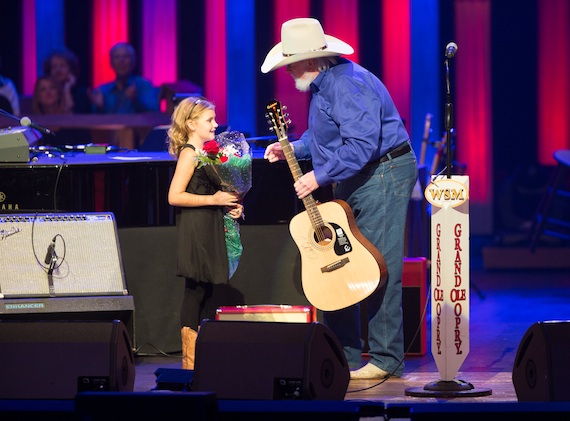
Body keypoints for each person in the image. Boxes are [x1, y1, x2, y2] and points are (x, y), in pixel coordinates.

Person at [261, 18, 418, 380]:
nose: (288, 72)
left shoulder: (346, 85)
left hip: (383, 174)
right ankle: (345, 355)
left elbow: (361, 145)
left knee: (378, 264)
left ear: (312, 61)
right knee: (343, 262)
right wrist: (293, 150)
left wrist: (317, 175)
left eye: (292, 64)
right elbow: (327, 141)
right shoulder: (324, 85)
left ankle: (385, 358)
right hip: (358, 175)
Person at [167, 96, 244, 370]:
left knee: (209, 290)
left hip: (210, 224)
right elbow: (174, 196)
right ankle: (190, 364)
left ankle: (203, 360)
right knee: (196, 290)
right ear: (191, 124)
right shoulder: (189, 153)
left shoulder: (208, 154)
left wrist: (233, 207)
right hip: (197, 228)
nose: (215, 124)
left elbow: (217, 193)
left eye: (214, 119)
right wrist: (214, 201)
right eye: (209, 120)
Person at [91, 42, 159, 114]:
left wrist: (136, 100)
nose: (121, 61)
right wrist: (99, 108)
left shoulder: (144, 86)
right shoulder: (101, 91)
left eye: (126, 56)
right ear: (111, 63)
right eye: (117, 57)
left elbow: (154, 113)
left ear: (133, 61)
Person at [32, 75, 91, 145]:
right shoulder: (34, 127)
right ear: (38, 97)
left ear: (59, 93)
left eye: (52, 88)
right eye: (43, 89)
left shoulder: (73, 121)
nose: (48, 92)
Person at [42, 48, 92, 114]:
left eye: (62, 66)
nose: (58, 70)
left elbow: (74, 118)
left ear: (71, 69)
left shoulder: (82, 94)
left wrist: (67, 89)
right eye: (54, 67)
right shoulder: (47, 92)